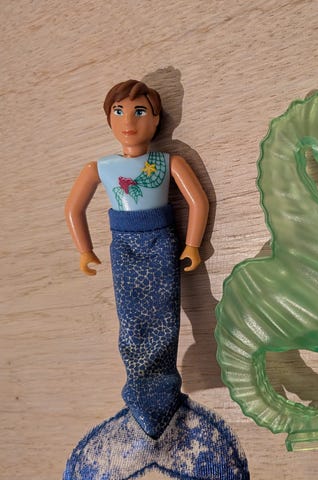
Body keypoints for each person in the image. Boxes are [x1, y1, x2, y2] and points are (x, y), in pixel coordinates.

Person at [65, 79, 209, 439]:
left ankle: (163, 397)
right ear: (108, 119)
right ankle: (142, 399)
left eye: (140, 111)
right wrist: (84, 250)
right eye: (119, 112)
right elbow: (73, 209)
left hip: (161, 243)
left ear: (156, 119)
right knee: (131, 323)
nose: (128, 121)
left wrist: (192, 245)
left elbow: (198, 202)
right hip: (124, 247)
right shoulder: (99, 167)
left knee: (164, 318)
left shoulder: (167, 162)